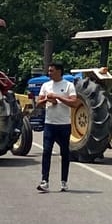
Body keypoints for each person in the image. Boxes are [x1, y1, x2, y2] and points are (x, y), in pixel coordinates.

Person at [35, 61, 79, 192]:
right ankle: (45, 181)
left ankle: (64, 181)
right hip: (50, 124)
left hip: (64, 125)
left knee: (65, 153)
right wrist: (47, 100)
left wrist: (58, 97)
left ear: (59, 71)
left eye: (51, 71)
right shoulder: (46, 85)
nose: (49, 73)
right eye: (49, 71)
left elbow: (74, 103)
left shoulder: (68, 85)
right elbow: (38, 103)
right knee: (46, 151)